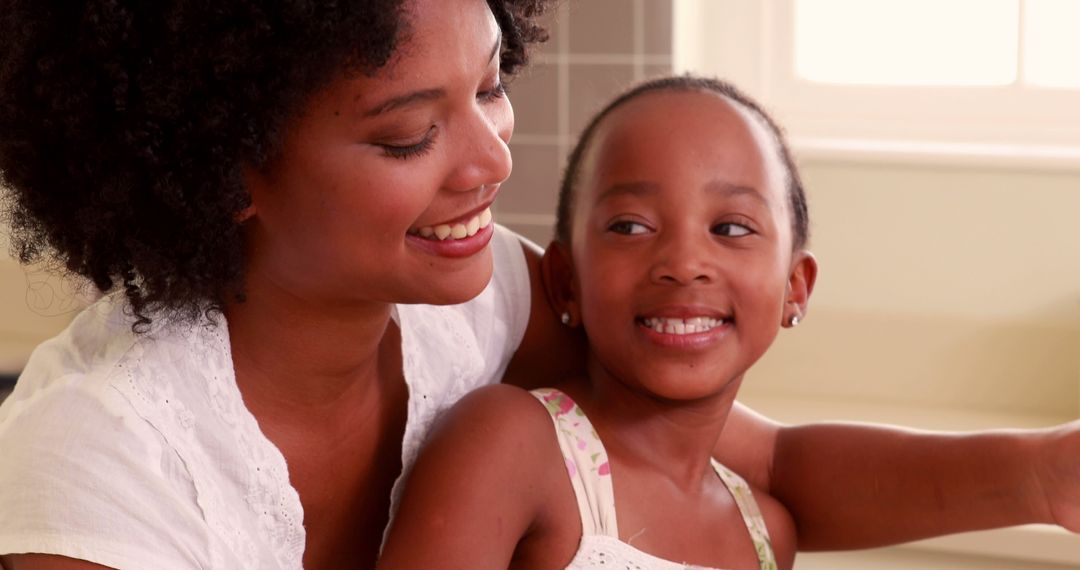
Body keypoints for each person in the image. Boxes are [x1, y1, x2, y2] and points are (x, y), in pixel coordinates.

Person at [0, 1, 1077, 569]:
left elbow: (766, 461)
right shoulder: (100, 468)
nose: (493, 162)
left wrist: (1041, 477)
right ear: (223, 167)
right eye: (413, 133)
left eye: (491, 86)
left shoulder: (477, 303)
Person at [378, 75, 810, 569]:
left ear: (795, 288)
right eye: (630, 226)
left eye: (731, 228)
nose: (684, 263)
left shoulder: (767, 532)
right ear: (566, 282)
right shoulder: (511, 444)